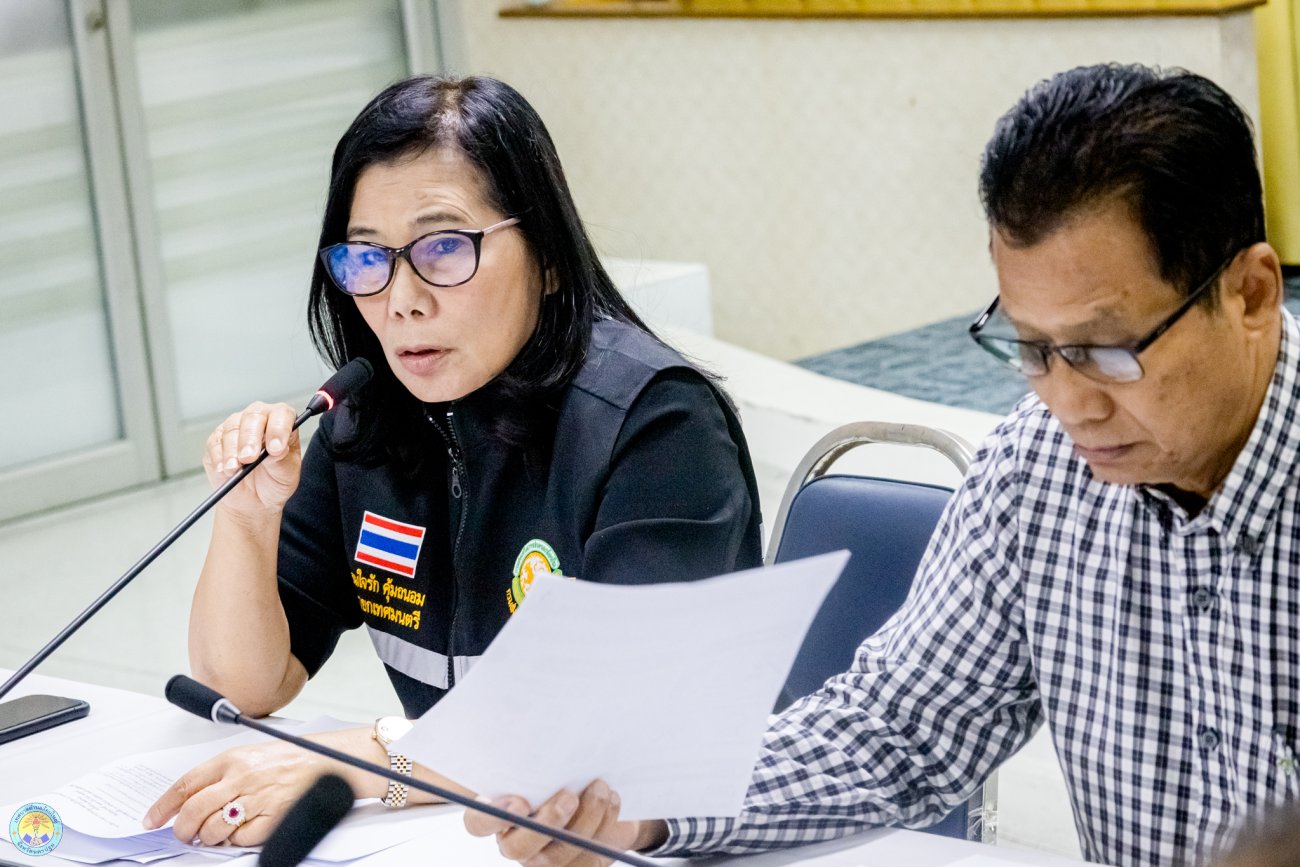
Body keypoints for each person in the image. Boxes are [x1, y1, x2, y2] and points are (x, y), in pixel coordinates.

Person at [467, 63, 1300, 867]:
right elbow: (894, 729)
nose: (1069, 401)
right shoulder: (1038, 473)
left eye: (1106, 349)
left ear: (1252, 294)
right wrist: (645, 801)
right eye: (1031, 348)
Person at [140, 74, 763, 847]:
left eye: (442, 248)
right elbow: (241, 687)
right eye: (367, 257)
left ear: (548, 256)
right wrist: (247, 518)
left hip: (659, 843)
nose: (401, 298)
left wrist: (365, 761)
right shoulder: (366, 417)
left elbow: (607, 723)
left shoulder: (655, 422)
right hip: (465, 835)